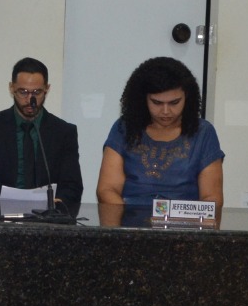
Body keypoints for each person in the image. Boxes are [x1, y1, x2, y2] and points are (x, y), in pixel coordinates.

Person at [96, 56, 224, 207]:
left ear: (187, 98)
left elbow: (211, 198)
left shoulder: (203, 132)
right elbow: (107, 190)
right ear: (143, 99)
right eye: (157, 103)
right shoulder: (124, 128)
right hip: (131, 217)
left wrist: (181, 218)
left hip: (184, 219)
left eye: (174, 102)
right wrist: (128, 219)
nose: (165, 111)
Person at [0, 56, 83, 209]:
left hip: (46, 219)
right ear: (11, 88)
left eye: (37, 92)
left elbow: (72, 187)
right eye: (23, 92)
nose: (30, 99)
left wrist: (55, 208)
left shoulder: (64, 132)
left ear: (47, 89)